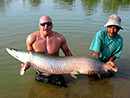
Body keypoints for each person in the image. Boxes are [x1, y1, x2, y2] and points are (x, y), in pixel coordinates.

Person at [21, 15, 72, 87]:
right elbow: (29, 57)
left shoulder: (59, 38)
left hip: (56, 72)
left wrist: (74, 67)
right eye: (43, 24)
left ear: (52, 25)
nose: (45, 27)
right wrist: (26, 65)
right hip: (40, 73)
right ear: (39, 26)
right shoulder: (31, 38)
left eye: (48, 24)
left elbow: (68, 53)